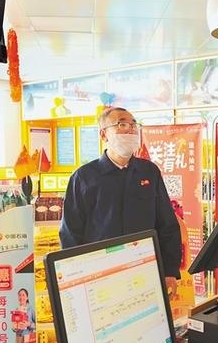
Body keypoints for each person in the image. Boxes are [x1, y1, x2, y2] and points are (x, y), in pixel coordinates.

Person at [60, 107, 181, 296]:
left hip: (145, 268)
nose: (130, 129)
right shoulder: (84, 178)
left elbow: (167, 224)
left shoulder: (149, 172)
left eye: (133, 125)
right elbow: (70, 233)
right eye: (122, 124)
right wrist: (74, 278)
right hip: (100, 275)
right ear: (103, 135)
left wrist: (170, 270)